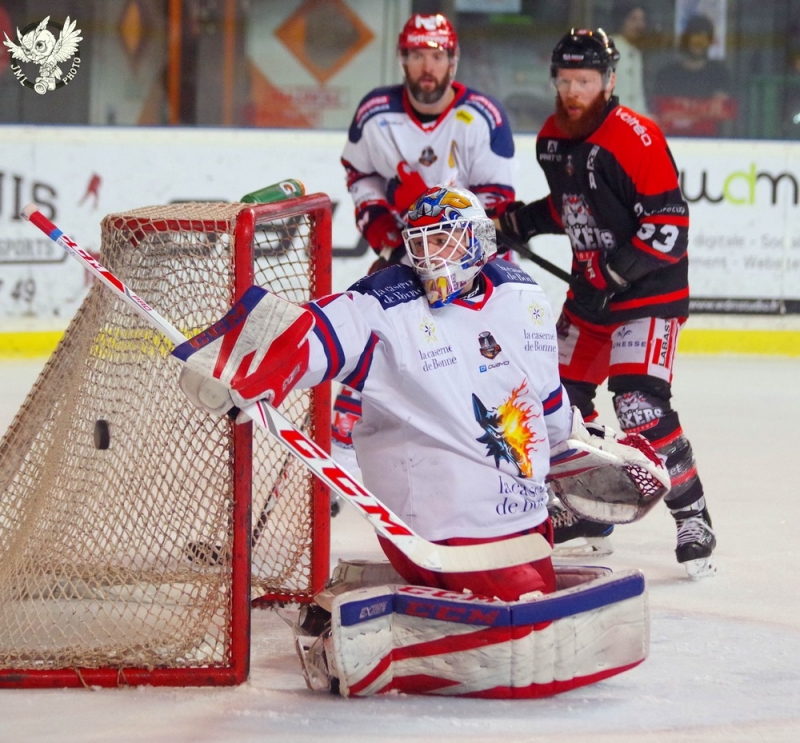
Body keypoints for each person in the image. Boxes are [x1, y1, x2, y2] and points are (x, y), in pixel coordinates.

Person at [177, 186, 574, 601]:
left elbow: (547, 399)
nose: (429, 257)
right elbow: (313, 331)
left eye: (441, 240)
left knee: (541, 600)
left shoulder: (523, 296)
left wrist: (572, 443)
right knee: (528, 614)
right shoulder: (384, 301)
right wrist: (241, 364)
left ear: (478, 241)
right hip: (444, 530)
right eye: (418, 243)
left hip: (526, 518)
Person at [495, 28, 716, 578]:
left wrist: (615, 271)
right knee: (558, 404)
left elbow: (670, 226)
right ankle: (590, 512)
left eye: (586, 81)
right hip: (591, 297)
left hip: (648, 294)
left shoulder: (635, 138)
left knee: (640, 406)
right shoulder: (552, 137)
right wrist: (520, 223)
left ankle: (694, 518)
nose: (573, 91)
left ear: (610, 82)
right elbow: (577, 207)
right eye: (566, 80)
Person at [334, 12, 518, 472]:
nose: (426, 67)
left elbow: (498, 199)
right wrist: (391, 242)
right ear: (403, 60)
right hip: (406, 257)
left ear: (453, 61)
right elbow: (361, 176)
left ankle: (510, 455)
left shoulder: (482, 117)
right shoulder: (376, 114)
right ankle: (341, 455)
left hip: (472, 266)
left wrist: (438, 212)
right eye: (417, 56)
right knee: (369, 342)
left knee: (495, 363)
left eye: (436, 56)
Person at [653, 14, 735, 136]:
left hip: (712, 146)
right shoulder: (667, 74)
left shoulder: (719, 73)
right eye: (695, 38)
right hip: (673, 142)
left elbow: (722, 111)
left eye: (703, 38)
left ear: (710, 41)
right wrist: (701, 112)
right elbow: (662, 113)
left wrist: (684, 112)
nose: (698, 43)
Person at [610, 2, 650, 115]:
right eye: (634, 20)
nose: (640, 25)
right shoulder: (607, 50)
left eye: (642, 20)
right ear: (621, 21)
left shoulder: (638, 53)